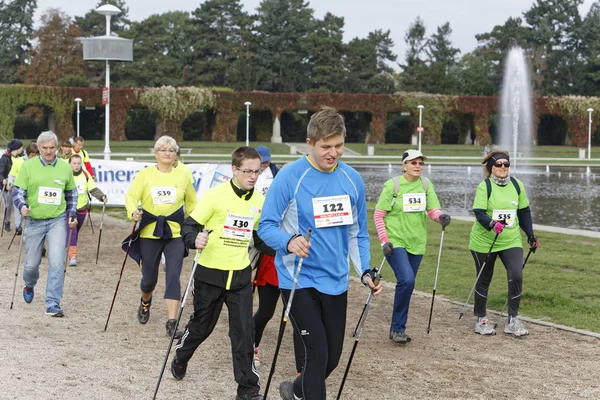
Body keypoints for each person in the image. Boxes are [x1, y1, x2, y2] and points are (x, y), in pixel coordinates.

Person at [258, 108, 383, 400]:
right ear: (310, 143)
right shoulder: (290, 177)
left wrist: (364, 271)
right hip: (296, 277)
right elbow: (265, 226)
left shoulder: (352, 180)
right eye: (326, 147)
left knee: (332, 358)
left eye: (338, 146)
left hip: (336, 279)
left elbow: (358, 233)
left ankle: (295, 390)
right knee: (316, 352)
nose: (333, 153)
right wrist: (289, 242)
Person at [170, 146, 268, 400]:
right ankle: (181, 356)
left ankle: (248, 389)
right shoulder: (215, 195)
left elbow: (260, 238)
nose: (253, 177)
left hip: (239, 276)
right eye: (247, 171)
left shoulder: (259, 201)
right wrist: (194, 239)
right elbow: (189, 226)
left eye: (257, 171)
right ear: (234, 170)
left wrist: (287, 245)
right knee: (202, 327)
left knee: (244, 332)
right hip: (210, 274)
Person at [374, 149, 450, 344]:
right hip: (395, 241)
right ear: (404, 165)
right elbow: (379, 214)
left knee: (406, 285)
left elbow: (432, 210)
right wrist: (384, 240)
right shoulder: (393, 185)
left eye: (420, 163)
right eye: (413, 162)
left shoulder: (425, 185)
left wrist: (440, 217)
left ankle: (396, 328)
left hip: (417, 243)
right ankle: (398, 329)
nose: (417, 166)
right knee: (407, 280)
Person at [125, 135, 197, 338]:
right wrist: (133, 212)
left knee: (173, 276)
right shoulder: (145, 175)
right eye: (163, 149)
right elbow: (131, 197)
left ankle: (172, 322)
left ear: (175, 155)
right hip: (150, 232)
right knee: (149, 278)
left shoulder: (183, 176)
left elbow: (192, 203)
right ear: (156, 153)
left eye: (171, 150)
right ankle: (145, 300)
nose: (167, 153)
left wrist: (196, 224)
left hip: (174, 233)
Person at [469, 151, 538, 337]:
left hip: (511, 239)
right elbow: (479, 213)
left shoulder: (517, 185)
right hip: (484, 241)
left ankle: (512, 320)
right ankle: (481, 319)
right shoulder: (485, 187)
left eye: (506, 165)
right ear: (491, 166)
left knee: (516, 275)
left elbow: (524, 213)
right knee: (484, 280)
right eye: (498, 164)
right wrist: (492, 224)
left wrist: (530, 235)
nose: (502, 168)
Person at [11, 131, 77, 317]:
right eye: (45, 148)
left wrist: (72, 213)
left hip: (57, 220)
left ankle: (52, 302)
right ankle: (29, 283)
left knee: (57, 261)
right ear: (38, 148)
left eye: (52, 148)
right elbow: (17, 192)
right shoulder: (28, 166)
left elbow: (71, 193)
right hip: (34, 220)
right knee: (32, 264)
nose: (49, 152)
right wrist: (22, 206)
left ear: (56, 148)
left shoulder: (64, 168)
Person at [67, 154, 107, 266]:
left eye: (78, 163)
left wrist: (102, 196)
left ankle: (69, 248)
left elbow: (93, 188)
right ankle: (73, 256)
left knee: (74, 233)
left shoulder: (85, 175)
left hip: (82, 208)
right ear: (70, 164)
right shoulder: (66, 175)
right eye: (74, 163)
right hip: (69, 209)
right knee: (72, 231)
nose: (76, 166)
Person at [7, 142, 39, 235]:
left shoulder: (38, 163)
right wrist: (10, 183)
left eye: (36, 155)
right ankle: (18, 225)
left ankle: (28, 231)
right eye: (32, 155)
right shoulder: (18, 161)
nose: (34, 157)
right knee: (18, 209)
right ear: (28, 153)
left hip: (32, 190)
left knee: (29, 210)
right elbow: (12, 175)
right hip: (19, 188)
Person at [1, 139, 23, 232]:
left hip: (17, 185)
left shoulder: (21, 158)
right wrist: (3, 180)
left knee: (18, 205)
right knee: (8, 205)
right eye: (21, 147)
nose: (22, 149)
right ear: (17, 148)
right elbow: (0, 172)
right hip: (7, 186)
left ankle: (19, 225)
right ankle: (7, 221)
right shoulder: (5, 158)